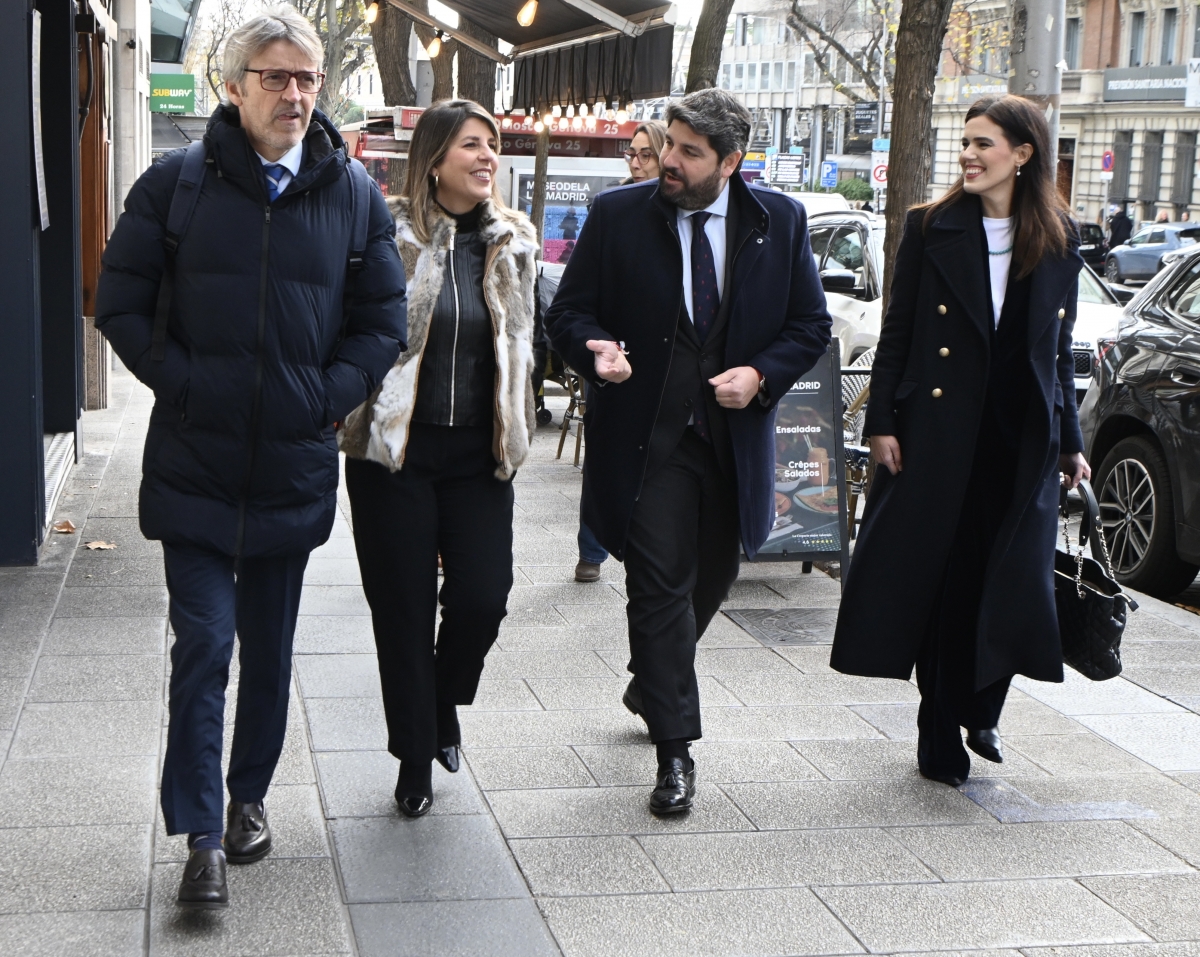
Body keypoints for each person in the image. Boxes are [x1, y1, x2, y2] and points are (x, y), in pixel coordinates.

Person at [94, 7, 407, 909]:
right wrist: (185, 384)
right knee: (205, 643)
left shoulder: (352, 193)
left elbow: (383, 318)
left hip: (290, 467)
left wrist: (325, 396)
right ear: (233, 88)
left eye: (307, 77)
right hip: (194, 462)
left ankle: (247, 798)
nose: (294, 94)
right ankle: (200, 836)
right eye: (275, 76)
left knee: (268, 650)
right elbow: (119, 302)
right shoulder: (175, 185)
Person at [546, 89, 831, 814]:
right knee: (661, 583)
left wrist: (761, 374)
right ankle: (675, 752)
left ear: (730, 163)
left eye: (689, 152)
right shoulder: (618, 215)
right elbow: (568, 312)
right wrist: (595, 348)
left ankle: (652, 681)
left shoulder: (779, 221)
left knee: (713, 575)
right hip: (648, 440)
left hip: (732, 441)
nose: (669, 160)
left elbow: (810, 324)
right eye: (669, 144)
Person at [831, 95, 1089, 787]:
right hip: (939, 433)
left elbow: (1056, 352)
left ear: (1022, 154)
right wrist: (881, 421)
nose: (969, 155)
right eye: (966, 143)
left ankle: (982, 704)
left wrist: (1070, 440)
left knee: (1010, 578)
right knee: (944, 579)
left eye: (983, 144)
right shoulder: (931, 225)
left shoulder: (1059, 236)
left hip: (1019, 437)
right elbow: (899, 332)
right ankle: (940, 721)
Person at [337, 100, 538, 818]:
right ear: (433, 159)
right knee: (403, 610)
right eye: (471, 145)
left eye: (492, 145)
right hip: (394, 454)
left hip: (479, 454)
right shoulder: (385, 236)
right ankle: (415, 756)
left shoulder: (514, 240)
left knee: (483, 597)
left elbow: (525, 340)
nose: (487, 157)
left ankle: (442, 699)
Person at [574, 119, 669, 584]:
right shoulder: (612, 208)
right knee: (606, 454)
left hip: (666, 369)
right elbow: (578, 299)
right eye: (631, 153)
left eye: (646, 154)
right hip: (612, 360)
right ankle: (591, 550)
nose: (636, 163)